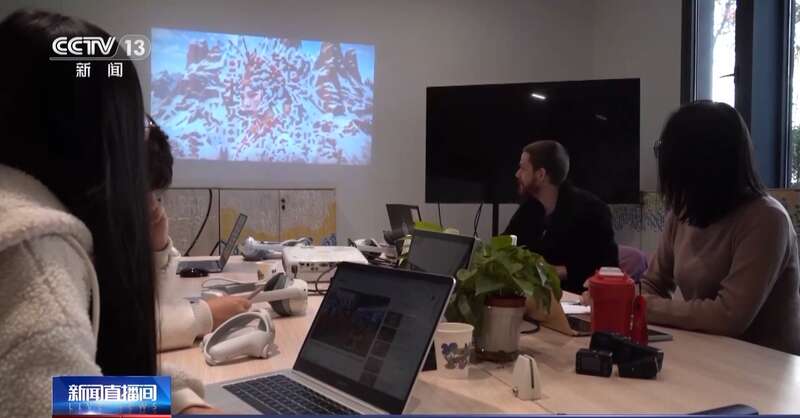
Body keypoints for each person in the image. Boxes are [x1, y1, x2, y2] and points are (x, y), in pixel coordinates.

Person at [0, 9, 214, 414]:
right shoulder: (35, 256)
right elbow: (65, 401)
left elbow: (76, 387)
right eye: (136, 125)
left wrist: (177, 398)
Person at [642, 101, 800, 355]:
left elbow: (729, 316)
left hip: (765, 365)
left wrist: (642, 306)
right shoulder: (684, 212)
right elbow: (653, 283)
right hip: (708, 354)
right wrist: (619, 297)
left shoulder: (767, 219)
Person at [144, 115, 251, 351]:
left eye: (155, 194)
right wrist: (204, 315)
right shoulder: (66, 247)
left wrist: (157, 249)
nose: (152, 205)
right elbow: (117, 333)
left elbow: (146, 305)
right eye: (142, 191)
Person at [504, 140, 619, 294]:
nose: (517, 174)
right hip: (535, 297)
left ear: (540, 174)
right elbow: (506, 248)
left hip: (577, 299)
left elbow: (607, 267)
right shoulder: (529, 208)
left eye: (523, 168)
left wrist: (553, 271)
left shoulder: (592, 211)